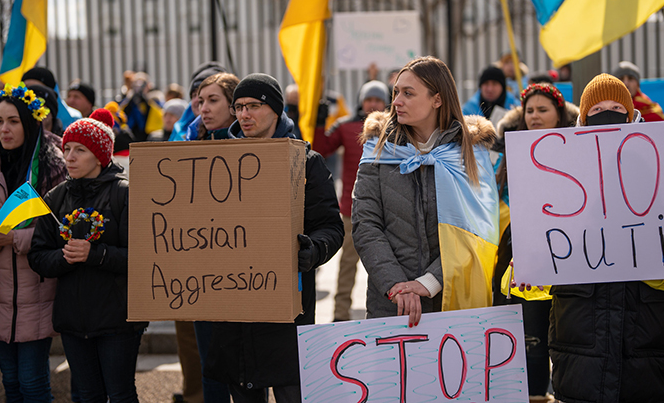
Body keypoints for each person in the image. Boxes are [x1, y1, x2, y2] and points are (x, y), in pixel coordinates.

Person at [508, 74, 664, 403]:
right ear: (583, 116)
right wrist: (523, 270)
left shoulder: (657, 166)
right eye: (598, 108)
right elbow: (540, 244)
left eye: (617, 106)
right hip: (582, 332)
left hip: (642, 333)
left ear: (631, 114)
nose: (608, 113)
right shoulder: (558, 169)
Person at [204, 73, 344, 403]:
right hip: (233, 311)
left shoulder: (306, 163)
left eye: (254, 106)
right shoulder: (216, 162)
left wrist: (313, 249)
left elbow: (331, 227)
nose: (244, 115)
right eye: (238, 107)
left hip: (286, 314)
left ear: (276, 110)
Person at [352, 56, 499, 327]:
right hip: (391, 305)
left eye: (408, 93)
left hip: (453, 302)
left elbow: (480, 230)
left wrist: (429, 283)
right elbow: (365, 224)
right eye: (396, 92)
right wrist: (397, 286)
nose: (396, 101)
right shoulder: (378, 148)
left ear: (437, 100)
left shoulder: (471, 152)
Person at [27, 109, 147, 402]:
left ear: (100, 155)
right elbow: (37, 257)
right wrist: (66, 257)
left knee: (119, 393)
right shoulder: (55, 197)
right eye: (66, 148)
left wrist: (96, 254)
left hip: (118, 320)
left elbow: (143, 259)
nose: (69, 156)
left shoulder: (125, 194)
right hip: (73, 320)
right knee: (88, 394)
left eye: (80, 150)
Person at [0, 83, 67, 402]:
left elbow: (61, 230)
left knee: (33, 382)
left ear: (29, 122)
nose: (4, 129)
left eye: (13, 121)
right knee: (10, 382)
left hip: (36, 291)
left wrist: (13, 238)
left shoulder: (52, 166)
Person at [493, 83, 578, 402]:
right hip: (520, 257)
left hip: (567, 255)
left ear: (559, 114)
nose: (535, 116)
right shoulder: (506, 150)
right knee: (531, 334)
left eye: (543, 110)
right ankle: (534, 393)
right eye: (530, 110)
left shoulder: (576, 148)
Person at [312, 80, 389, 322]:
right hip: (351, 211)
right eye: (369, 99)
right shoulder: (346, 127)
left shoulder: (395, 128)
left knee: (386, 269)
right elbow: (320, 149)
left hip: (387, 213)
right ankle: (340, 316)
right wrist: (319, 121)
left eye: (378, 99)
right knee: (347, 267)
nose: (373, 104)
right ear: (361, 100)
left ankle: (385, 317)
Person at [185, 72, 240, 402]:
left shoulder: (253, 151)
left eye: (213, 100)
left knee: (245, 372)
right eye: (200, 101)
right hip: (201, 278)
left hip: (244, 278)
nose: (203, 108)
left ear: (235, 106)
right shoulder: (189, 149)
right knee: (211, 368)